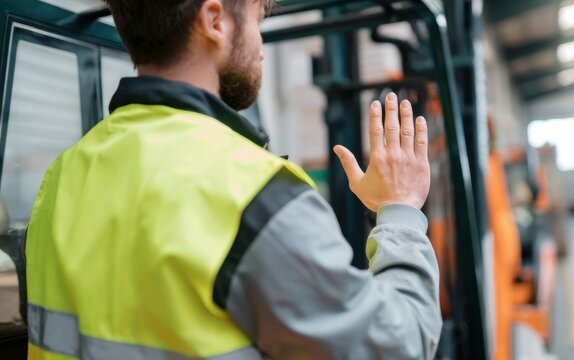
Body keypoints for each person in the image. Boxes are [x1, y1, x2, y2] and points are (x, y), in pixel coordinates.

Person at [24, 0, 442, 359]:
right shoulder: (256, 196)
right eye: (257, 21)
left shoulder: (62, 177)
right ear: (215, 21)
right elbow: (399, 345)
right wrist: (399, 209)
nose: (261, 50)